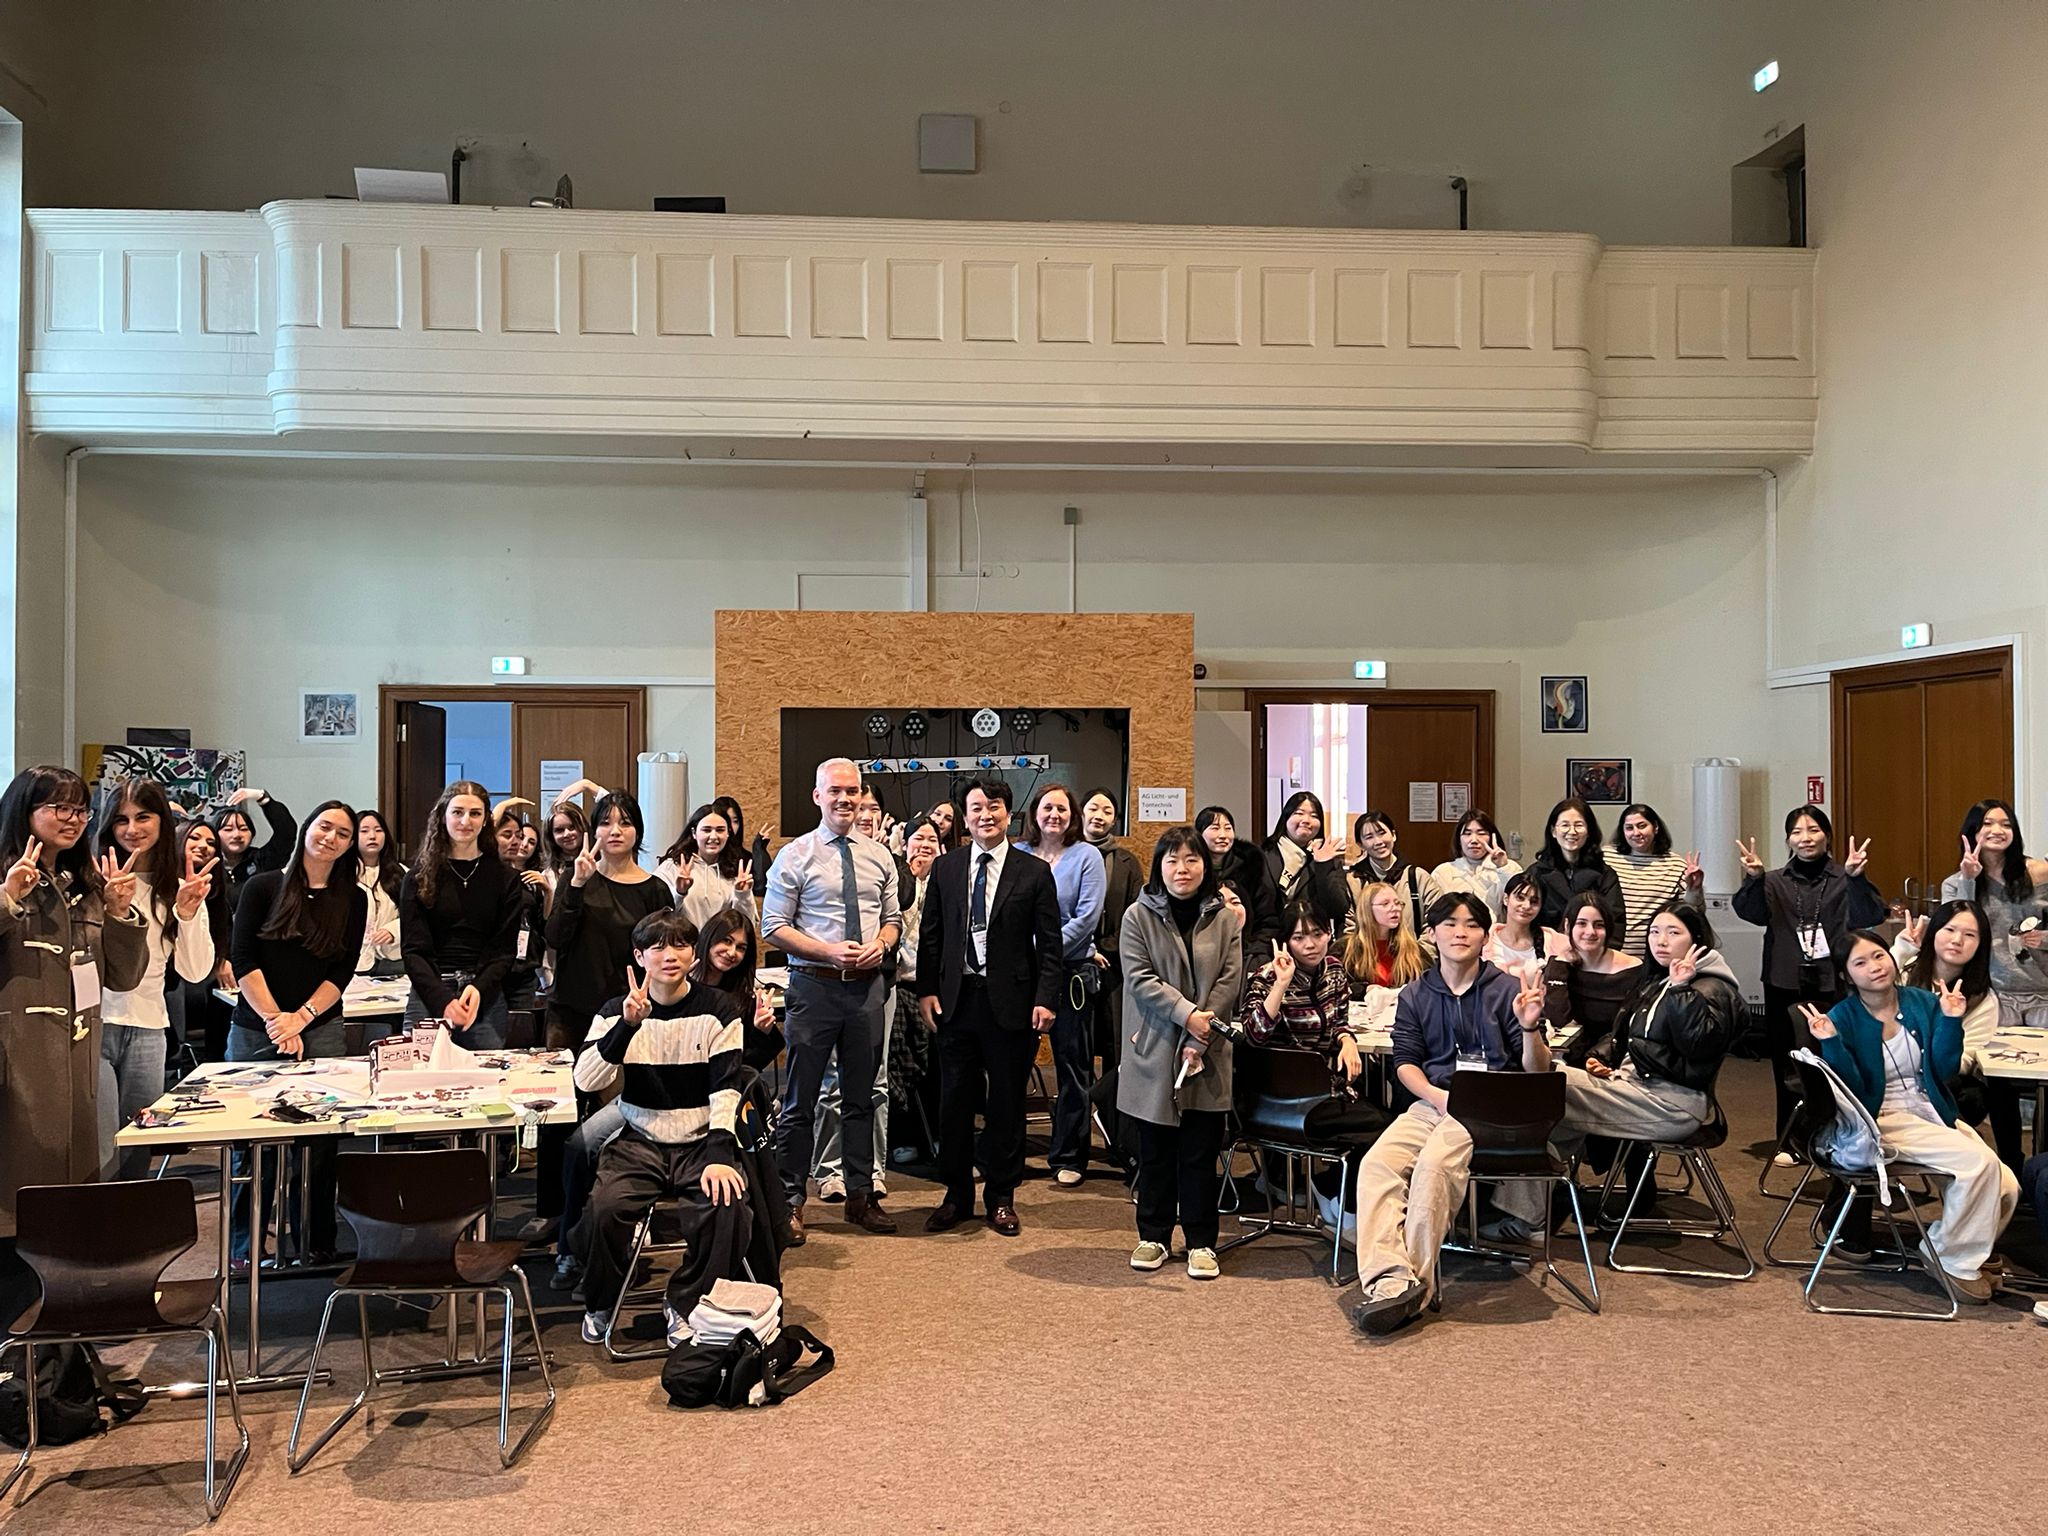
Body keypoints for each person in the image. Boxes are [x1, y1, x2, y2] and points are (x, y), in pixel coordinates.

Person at [1351, 891, 1549, 1336]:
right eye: (1450, 924)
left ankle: (1412, 1289)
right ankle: (1390, 1281)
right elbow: (1405, 1062)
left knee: (1435, 1165)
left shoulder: (1507, 990)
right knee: (1377, 1164)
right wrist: (1438, 1098)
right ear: (1432, 933)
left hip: (1490, 1106)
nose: (1461, 933)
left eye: (1472, 925)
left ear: (1486, 936)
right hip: (1434, 1101)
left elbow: (1537, 1071)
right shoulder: (1417, 993)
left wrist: (1530, 1026)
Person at [1803, 931, 2019, 1302]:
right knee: (1979, 1163)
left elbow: (1944, 1069)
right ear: (1845, 975)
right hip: (1881, 1117)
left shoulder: (1923, 1002)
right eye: (1860, 963)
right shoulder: (1844, 1017)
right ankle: (1952, 1259)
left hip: (1930, 1108)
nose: (1875, 967)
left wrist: (1951, 1020)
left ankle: (1952, 1247)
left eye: (1879, 955)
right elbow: (1851, 1091)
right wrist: (1831, 1042)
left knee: (2007, 1184)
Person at [571, 911, 753, 1346]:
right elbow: (585, 1080)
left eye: (680, 946)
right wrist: (627, 1026)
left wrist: (720, 1154)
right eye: (658, 947)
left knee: (727, 1206)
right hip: (639, 1139)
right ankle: (602, 1299)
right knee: (603, 1209)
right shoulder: (614, 1011)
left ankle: (685, 1301)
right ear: (639, 957)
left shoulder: (719, 1009)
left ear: (693, 955)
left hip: (700, 1140)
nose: (670, 956)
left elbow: (726, 1088)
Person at [0, 767, 147, 1298]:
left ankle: (63, 1332)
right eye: (59, 807)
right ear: (25, 811)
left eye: (81, 809)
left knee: (67, 1210)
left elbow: (122, 977)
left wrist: (120, 913)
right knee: (16, 1207)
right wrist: (8, 898)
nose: (73, 819)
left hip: (77, 1060)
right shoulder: (7, 877)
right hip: (16, 1066)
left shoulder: (84, 887)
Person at [762, 758, 902, 1242]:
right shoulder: (795, 855)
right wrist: (826, 951)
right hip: (813, 986)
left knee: (862, 1098)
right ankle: (790, 1201)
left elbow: (893, 920)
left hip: (866, 990)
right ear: (817, 796)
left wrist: (881, 944)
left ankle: (861, 1197)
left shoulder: (880, 856)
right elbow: (773, 926)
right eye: (835, 791)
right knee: (801, 1100)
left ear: (862, 796)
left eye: (853, 791)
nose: (845, 799)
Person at [915, 779, 1062, 1236]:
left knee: (1006, 1104)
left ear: (1009, 814)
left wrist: (1046, 998)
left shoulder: (1033, 871)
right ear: (965, 816)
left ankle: (1001, 1197)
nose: (985, 815)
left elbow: (1050, 944)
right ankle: (956, 1195)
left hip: (1012, 1004)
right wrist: (926, 990)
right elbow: (931, 934)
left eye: (994, 807)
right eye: (976, 808)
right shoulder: (946, 867)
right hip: (956, 1001)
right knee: (953, 1103)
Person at [226, 801, 368, 1261]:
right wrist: (277, 1021)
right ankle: (246, 1248)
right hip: (255, 1028)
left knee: (320, 1144)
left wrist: (300, 1019)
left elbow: (342, 971)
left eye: (343, 834)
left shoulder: (354, 898)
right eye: (324, 827)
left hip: (320, 1028)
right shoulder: (263, 886)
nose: (331, 838)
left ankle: (315, 1243)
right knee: (253, 1143)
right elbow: (243, 960)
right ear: (307, 829)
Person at [1547, 900, 1742, 1226]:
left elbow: (1699, 1047)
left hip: (1671, 1104)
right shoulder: (1659, 979)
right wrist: (1600, 1056)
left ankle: (1528, 1208)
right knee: (1549, 1108)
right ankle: (1540, 1200)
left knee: (1549, 1082)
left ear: (1696, 938)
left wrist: (1681, 990)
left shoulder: (1711, 987)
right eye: (1654, 932)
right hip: (1639, 1088)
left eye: (1673, 933)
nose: (1661, 941)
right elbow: (1625, 1033)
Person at [1117, 827, 1245, 1280]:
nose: (1182, 869)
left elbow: (1230, 979)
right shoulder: (1137, 915)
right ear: (1159, 867)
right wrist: (1188, 1015)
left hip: (1207, 1048)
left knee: (1199, 1151)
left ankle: (1201, 1241)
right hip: (1154, 1045)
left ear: (1205, 866)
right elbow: (1140, 978)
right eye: (1171, 860)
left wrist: (1201, 1032)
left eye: (1191, 860)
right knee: (1155, 1150)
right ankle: (1152, 1235)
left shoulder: (1224, 918)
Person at [1732, 804, 1884, 1142]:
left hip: (1836, 982)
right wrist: (1753, 879)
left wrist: (1857, 879)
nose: (1806, 838)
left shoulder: (1845, 877)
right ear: (1788, 840)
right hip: (1783, 981)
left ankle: (1840, 1134)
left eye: (1813, 830)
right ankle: (1790, 1138)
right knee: (1787, 1061)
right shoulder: (1773, 881)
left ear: (1827, 835)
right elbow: (1751, 914)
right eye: (1797, 832)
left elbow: (1870, 915)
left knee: (1837, 1057)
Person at [92, 779, 216, 1175]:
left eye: (143, 817)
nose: (132, 829)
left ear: (162, 820)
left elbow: (195, 971)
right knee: (100, 1148)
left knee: (137, 1148)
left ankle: (131, 1216)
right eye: (121, 820)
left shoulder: (179, 889)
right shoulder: (93, 882)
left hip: (149, 1026)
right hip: (95, 1023)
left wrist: (188, 914)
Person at [1941, 799, 2048, 1169]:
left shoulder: (2039, 874)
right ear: (1973, 831)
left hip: (2043, 994)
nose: (1997, 830)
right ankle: (2012, 1164)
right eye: (1987, 823)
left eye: (2005, 824)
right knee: (1999, 1083)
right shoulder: (1957, 882)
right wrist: (1969, 881)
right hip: (1995, 996)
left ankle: (2042, 1167)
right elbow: (1955, 931)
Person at [1018, 784, 1107, 1186]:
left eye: (1063, 808)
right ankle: (1008, 1153)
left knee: (1072, 1066)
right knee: (1013, 1065)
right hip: (1023, 975)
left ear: (1073, 815)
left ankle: (1069, 1156)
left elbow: (1086, 918)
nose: (1055, 814)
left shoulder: (1087, 856)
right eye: (1047, 807)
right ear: (1035, 812)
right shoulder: (1018, 854)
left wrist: (1043, 951)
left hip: (1071, 973)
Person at [398, 780, 526, 1049]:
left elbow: (503, 949)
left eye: (475, 813)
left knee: (484, 1073)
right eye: (457, 812)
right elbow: (413, 951)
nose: (465, 821)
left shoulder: (505, 878)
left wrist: (478, 988)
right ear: (443, 816)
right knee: (421, 1074)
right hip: (430, 992)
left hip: (483, 995)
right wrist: (443, 1000)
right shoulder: (418, 877)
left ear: (485, 820)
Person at [1893, 899, 2008, 1167]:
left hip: (1940, 1078)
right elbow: (1866, 992)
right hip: (1889, 1071)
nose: (1957, 940)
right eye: (1949, 930)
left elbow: (1968, 1058)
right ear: (1934, 932)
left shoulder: (1982, 998)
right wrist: (1900, 951)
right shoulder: (1904, 973)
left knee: (1975, 1096)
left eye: (1970, 935)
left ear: (1981, 944)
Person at [1081, 787, 1146, 1173]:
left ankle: (1117, 1137)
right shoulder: (1071, 854)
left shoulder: (1127, 861)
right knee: (1079, 1053)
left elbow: (1137, 912)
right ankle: (1076, 1141)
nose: (1099, 815)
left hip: (1118, 968)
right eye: (1093, 808)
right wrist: (1086, 947)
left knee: (1116, 1051)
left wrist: (1111, 949)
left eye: (1107, 810)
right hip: (1078, 963)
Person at [885, 818, 943, 1163]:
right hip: (899, 985)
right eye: (918, 838)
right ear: (905, 844)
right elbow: (895, 927)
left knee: (935, 1067)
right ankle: (902, 1136)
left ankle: (935, 1133)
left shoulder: (947, 881)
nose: (925, 845)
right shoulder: (896, 880)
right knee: (898, 1064)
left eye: (932, 839)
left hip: (935, 987)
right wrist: (912, 880)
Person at [1540, 892, 1644, 1067]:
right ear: (1567, 926)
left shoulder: (1633, 969)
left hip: (1618, 1058)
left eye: (1599, 925)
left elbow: (1632, 1028)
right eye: (1581, 923)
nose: (1590, 932)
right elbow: (1557, 1020)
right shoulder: (1559, 967)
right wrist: (1560, 964)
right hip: (1574, 1058)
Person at [168, 816, 234, 1061]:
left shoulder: (217, 897)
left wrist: (222, 960)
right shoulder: (163, 886)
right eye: (194, 838)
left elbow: (224, 937)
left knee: (221, 990)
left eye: (211, 842)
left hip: (204, 975)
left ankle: (216, 1060)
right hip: (168, 979)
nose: (203, 846)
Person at [1607, 803, 1703, 958]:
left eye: (1642, 826)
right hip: (1610, 954)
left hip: (1655, 956)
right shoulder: (1607, 858)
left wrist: (1694, 890)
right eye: (1629, 828)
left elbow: (1690, 912)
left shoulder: (1675, 865)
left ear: (1656, 828)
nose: (1636, 833)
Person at [655, 802, 759, 934]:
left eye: (720, 830)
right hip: (683, 945)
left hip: (722, 946)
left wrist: (742, 895)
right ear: (694, 833)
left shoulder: (736, 871)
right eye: (706, 830)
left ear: (728, 833)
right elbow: (657, 917)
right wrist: (679, 893)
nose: (713, 836)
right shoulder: (673, 866)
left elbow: (747, 927)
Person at [1528, 797, 1624, 935]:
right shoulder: (1536, 873)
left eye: (1579, 825)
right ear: (1553, 831)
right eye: (1565, 825)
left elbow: (1616, 921)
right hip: (1547, 946)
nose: (1572, 832)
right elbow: (1526, 917)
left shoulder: (1605, 874)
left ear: (1589, 831)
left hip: (1593, 945)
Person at [494, 802, 551, 1032]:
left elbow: (543, 923)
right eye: (508, 835)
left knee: (518, 1029)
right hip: (494, 968)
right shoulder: (488, 872)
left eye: (523, 838)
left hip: (524, 968)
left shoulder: (530, 879)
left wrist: (548, 892)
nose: (519, 842)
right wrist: (503, 806)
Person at [1195, 806, 1281, 953]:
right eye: (1215, 828)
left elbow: (1268, 919)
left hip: (1247, 950)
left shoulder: (1251, 864)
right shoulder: (1192, 869)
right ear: (1199, 833)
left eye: (1228, 828)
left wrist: (1253, 954)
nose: (1223, 835)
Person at [1263, 791, 1350, 929]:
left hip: (1309, 936)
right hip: (1269, 935)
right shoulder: (1263, 855)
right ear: (1286, 817)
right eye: (1299, 813)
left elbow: (1337, 909)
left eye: (1314, 816)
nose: (1306, 820)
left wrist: (1323, 864)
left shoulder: (1329, 859)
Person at [1348, 809, 1439, 938]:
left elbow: (1436, 921)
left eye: (1382, 833)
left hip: (1414, 950)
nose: (1378, 841)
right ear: (1360, 845)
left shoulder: (1418, 877)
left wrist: (1417, 950)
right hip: (1366, 950)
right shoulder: (1353, 881)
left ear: (1393, 835)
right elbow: (1349, 928)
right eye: (1369, 837)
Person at [211, 786, 297, 920]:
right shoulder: (208, 865)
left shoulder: (263, 860)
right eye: (228, 829)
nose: (237, 835)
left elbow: (286, 832)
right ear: (214, 834)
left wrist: (262, 797)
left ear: (252, 834)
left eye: (243, 829)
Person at [1431, 810, 1521, 921]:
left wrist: (1503, 867)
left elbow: (1521, 901)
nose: (1474, 840)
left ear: (1492, 837)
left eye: (1481, 833)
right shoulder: (1442, 872)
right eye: (1467, 834)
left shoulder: (1510, 867)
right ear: (1459, 839)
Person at [1343, 881, 1431, 993]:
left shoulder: (1414, 950)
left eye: (1397, 903)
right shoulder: (1346, 950)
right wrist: (1363, 990)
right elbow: (1336, 989)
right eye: (1385, 904)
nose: (1395, 908)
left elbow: (1431, 985)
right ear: (1367, 909)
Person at [353, 809, 404, 974]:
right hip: (353, 962)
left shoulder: (402, 873)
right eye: (364, 831)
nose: (372, 836)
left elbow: (417, 916)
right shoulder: (341, 875)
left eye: (378, 830)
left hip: (394, 960)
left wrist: (393, 930)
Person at [1487, 870, 1553, 970]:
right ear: (1506, 899)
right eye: (1520, 898)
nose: (1527, 906)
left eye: (1534, 901)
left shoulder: (1552, 941)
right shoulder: (1485, 940)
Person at [544, 799, 592, 890]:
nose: (567, 834)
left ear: (583, 827)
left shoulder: (600, 863)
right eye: (559, 830)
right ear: (551, 836)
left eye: (572, 827)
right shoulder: (548, 875)